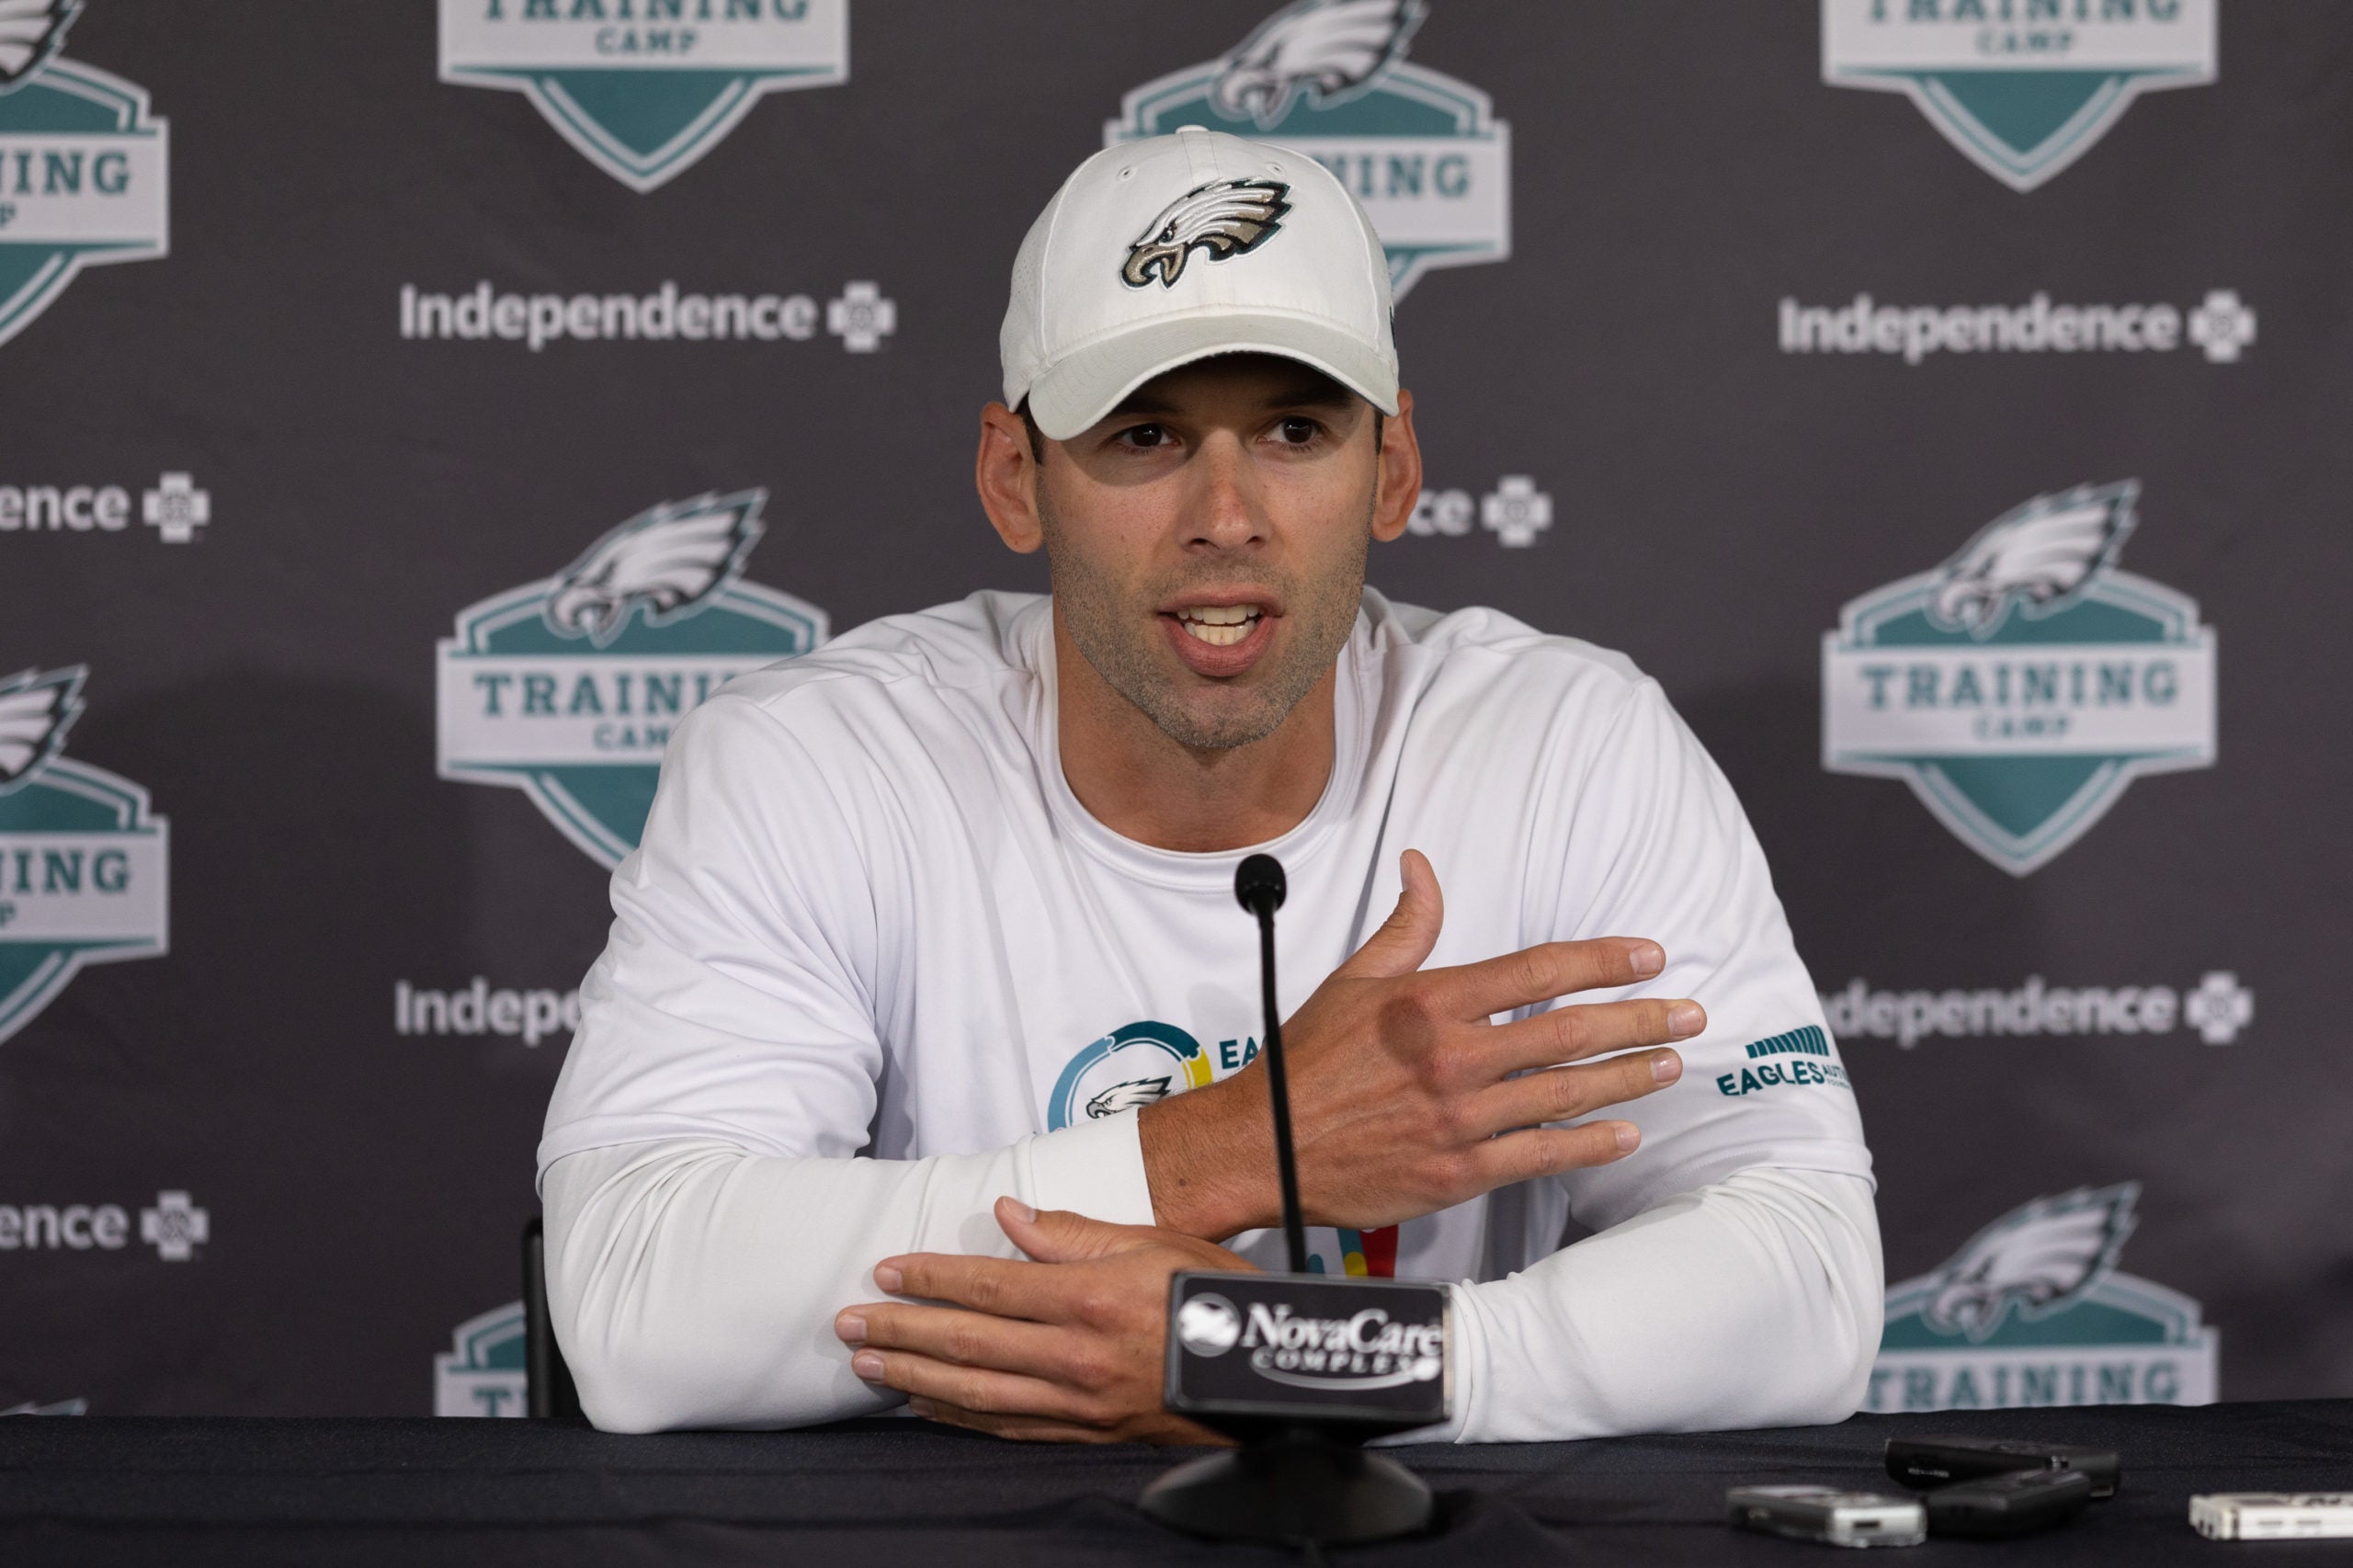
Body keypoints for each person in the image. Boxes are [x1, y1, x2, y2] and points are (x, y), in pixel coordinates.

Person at [539, 126, 1881, 1444]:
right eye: (1145, 436)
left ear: (1393, 468)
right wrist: (1234, 1148)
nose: (1226, 514)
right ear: (1018, 479)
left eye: (1295, 428)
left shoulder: (1567, 747)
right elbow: (637, 1300)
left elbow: (1805, 1269)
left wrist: (1283, 1365)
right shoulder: (816, 758)